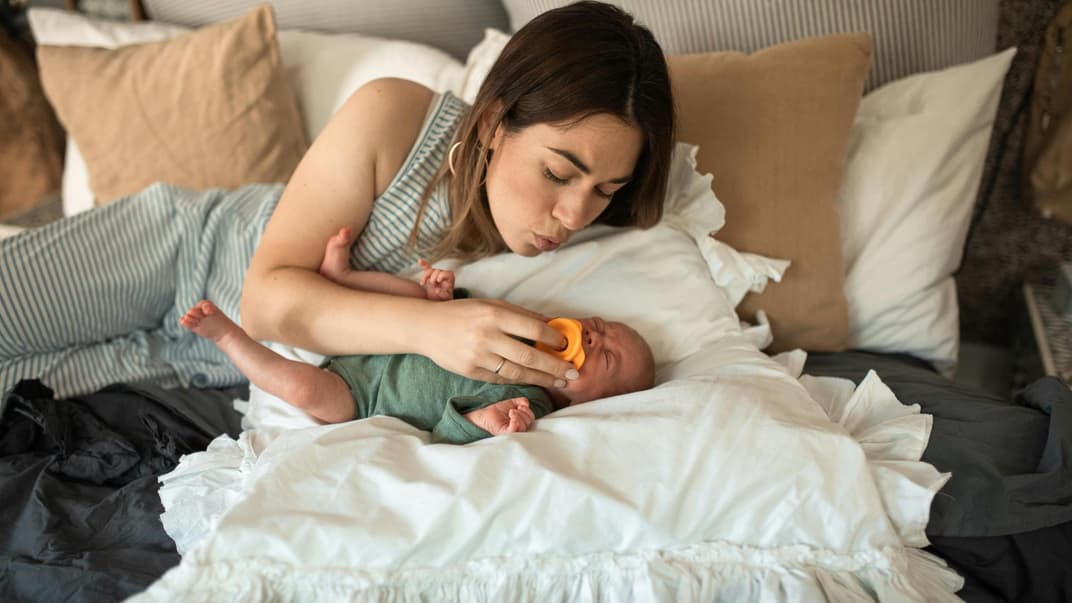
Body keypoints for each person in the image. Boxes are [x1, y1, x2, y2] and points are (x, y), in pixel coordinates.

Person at [0, 1, 673, 400]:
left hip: (208, 367)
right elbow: (267, 299)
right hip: (178, 252)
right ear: (496, 123)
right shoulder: (399, 117)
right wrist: (433, 329)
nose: (574, 215)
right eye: (560, 173)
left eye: (604, 191)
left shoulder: (580, 259)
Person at [179, 227, 657, 443]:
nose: (597, 335)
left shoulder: (527, 404)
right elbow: (465, 317)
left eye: (607, 357)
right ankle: (342, 279)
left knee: (304, 387)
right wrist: (442, 299)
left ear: (588, 402)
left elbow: (445, 433)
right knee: (405, 296)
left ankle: (228, 339)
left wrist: (486, 422)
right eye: (604, 327)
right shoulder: (527, 324)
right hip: (386, 340)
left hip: (359, 397)